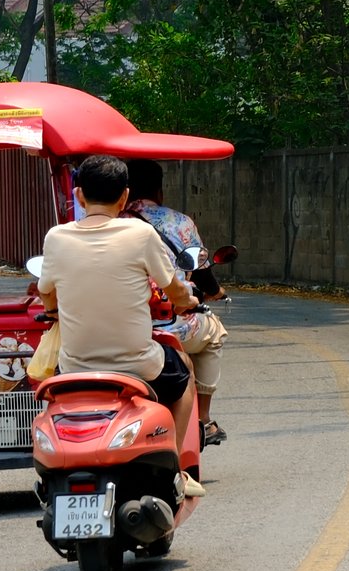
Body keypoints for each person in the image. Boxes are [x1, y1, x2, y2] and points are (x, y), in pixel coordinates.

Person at [36, 153, 205, 497]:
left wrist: (55, 309)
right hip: (138, 366)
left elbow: (47, 295)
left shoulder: (55, 237)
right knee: (184, 373)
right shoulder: (140, 234)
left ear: (79, 195)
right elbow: (171, 286)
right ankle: (175, 467)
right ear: (124, 197)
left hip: (74, 368)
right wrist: (186, 300)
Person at [123, 157, 227, 449]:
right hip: (167, 324)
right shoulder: (178, 222)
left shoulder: (107, 226)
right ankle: (204, 420)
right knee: (214, 332)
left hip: (114, 331)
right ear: (159, 190)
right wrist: (214, 293)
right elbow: (200, 274)